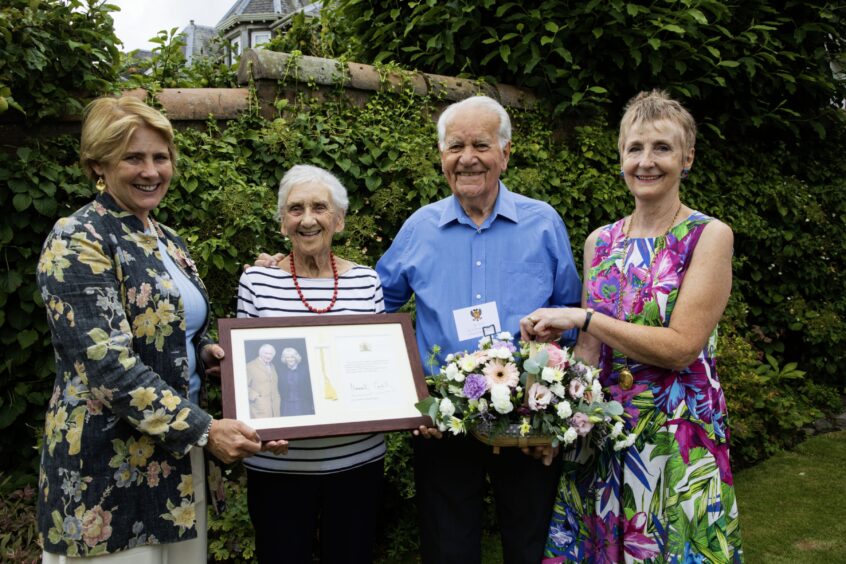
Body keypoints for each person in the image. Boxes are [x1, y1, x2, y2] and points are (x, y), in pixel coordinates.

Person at [35, 96, 285, 561]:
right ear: (99, 165)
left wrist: (205, 350)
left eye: (160, 157)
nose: (151, 170)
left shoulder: (167, 238)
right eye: (133, 157)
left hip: (178, 454)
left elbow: (176, 329)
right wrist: (208, 431)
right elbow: (107, 365)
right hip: (108, 463)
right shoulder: (79, 236)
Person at [521, 90, 743, 562]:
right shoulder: (600, 241)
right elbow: (588, 352)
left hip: (673, 435)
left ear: (687, 158)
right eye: (635, 148)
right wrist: (555, 420)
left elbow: (682, 347)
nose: (647, 161)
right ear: (620, 156)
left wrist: (585, 317)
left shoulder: (709, 235)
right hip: (601, 435)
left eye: (662, 148)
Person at [375, 95, 582, 564]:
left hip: (529, 420)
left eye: (481, 145)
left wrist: (559, 399)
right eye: (455, 146)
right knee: (448, 548)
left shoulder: (543, 222)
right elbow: (376, 308)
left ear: (506, 154)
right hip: (442, 425)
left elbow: (572, 314)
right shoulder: (419, 227)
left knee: (531, 544)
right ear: (441, 157)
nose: (467, 158)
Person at [237, 164, 386, 563]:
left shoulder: (366, 282)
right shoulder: (256, 282)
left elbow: (378, 367)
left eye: (319, 207)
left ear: (338, 220)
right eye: (295, 208)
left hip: (357, 460)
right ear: (282, 221)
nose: (307, 219)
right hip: (278, 462)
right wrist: (260, 425)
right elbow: (247, 369)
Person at [246, 344, 281, 418]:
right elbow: (242, 386)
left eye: (271, 354)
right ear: (260, 353)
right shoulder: (250, 366)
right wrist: (255, 396)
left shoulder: (272, 366)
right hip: (259, 408)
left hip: (275, 407)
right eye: (266, 353)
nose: (268, 356)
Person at [278, 346, 315, 416]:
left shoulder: (306, 369)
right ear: (284, 359)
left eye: (292, 357)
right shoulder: (280, 371)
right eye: (287, 357)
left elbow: (311, 387)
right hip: (286, 405)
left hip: (303, 404)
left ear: (296, 358)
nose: (290, 359)